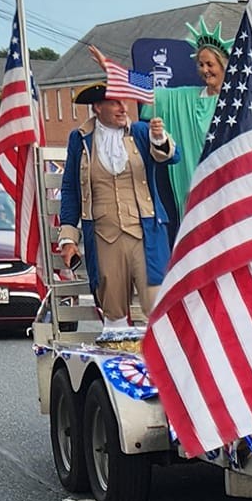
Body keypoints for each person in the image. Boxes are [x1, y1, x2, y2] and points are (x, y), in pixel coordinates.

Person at [56, 83, 179, 323]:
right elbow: (70, 187)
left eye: (125, 102)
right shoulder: (80, 139)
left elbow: (171, 156)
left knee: (158, 301)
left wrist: (159, 138)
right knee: (112, 304)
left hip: (145, 231)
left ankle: (162, 357)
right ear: (98, 107)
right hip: (104, 234)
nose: (123, 108)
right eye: (115, 102)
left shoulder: (142, 132)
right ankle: (116, 351)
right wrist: (69, 238)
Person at [144, 19, 231, 215]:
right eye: (201, 64)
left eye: (210, 64)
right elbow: (149, 91)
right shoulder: (184, 98)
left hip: (228, 188)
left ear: (224, 65)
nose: (205, 70)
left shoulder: (237, 102)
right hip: (194, 192)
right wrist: (115, 71)